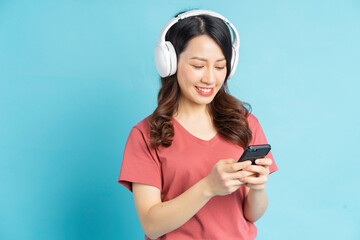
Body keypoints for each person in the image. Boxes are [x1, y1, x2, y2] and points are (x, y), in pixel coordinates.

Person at [118, 9, 278, 240]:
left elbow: (252, 215)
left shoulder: (245, 124)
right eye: (198, 65)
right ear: (169, 63)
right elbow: (151, 226)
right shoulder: (145, 134)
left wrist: (258, 188)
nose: (210, 79)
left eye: (220, 67)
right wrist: (208, 187)